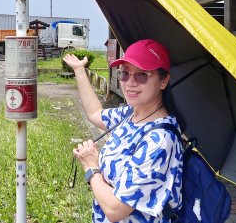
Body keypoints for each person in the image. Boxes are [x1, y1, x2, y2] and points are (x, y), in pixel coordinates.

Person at [64, 39, 183, 223]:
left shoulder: (160, 139)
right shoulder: (129, 114)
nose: (130, 83)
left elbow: (115, 209)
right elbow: (95, 113)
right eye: (125, 74)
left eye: (142, 75)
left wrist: (91, 167)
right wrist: (80, 71)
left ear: (163, 81)